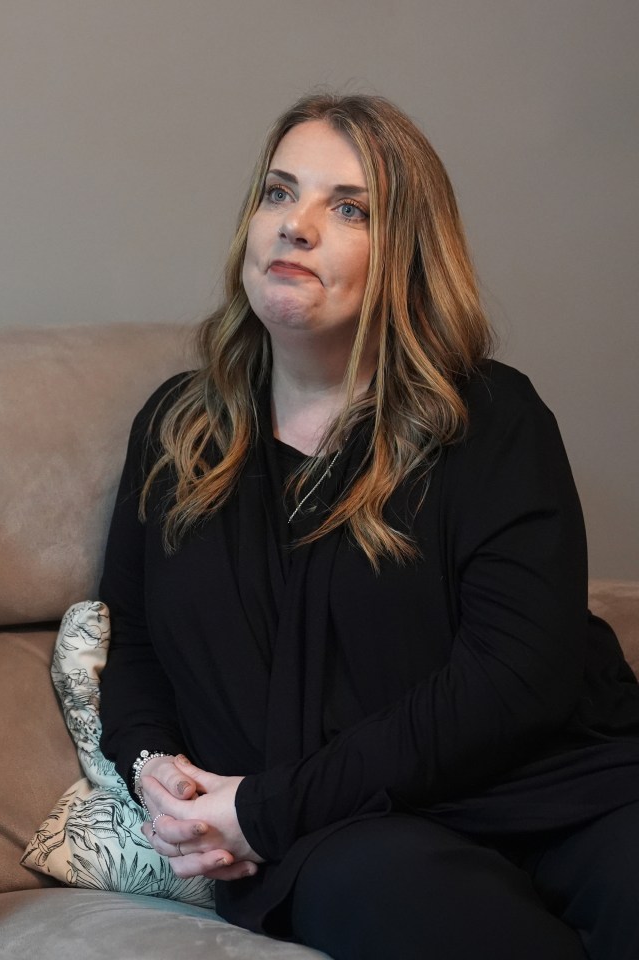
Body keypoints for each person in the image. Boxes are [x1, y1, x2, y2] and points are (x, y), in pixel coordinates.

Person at [99, 92, 639, 960]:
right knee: (414, 904)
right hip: (345, 837)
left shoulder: (492, 417)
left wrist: (260, 809)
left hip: (557, 790)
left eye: (348, 208)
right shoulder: (177, 432)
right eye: (278, 194)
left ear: (407, 255)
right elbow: (133, 649)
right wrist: (155, 769)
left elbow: (515, 679)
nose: (295, 226)